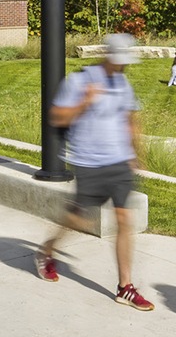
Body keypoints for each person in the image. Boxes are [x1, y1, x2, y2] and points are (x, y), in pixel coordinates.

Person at [36, 33, 154, 311]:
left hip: (120, 162)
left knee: (125, 221)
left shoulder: (122, 83)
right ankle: (47, 250)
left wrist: (135, 153)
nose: (124, 66)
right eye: (120, 60)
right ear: (108, 55)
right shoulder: (79, 81)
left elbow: (129, 119)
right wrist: (85, 102)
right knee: (78, 220)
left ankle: (125, 287)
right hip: (90, 163)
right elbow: (57, 117)